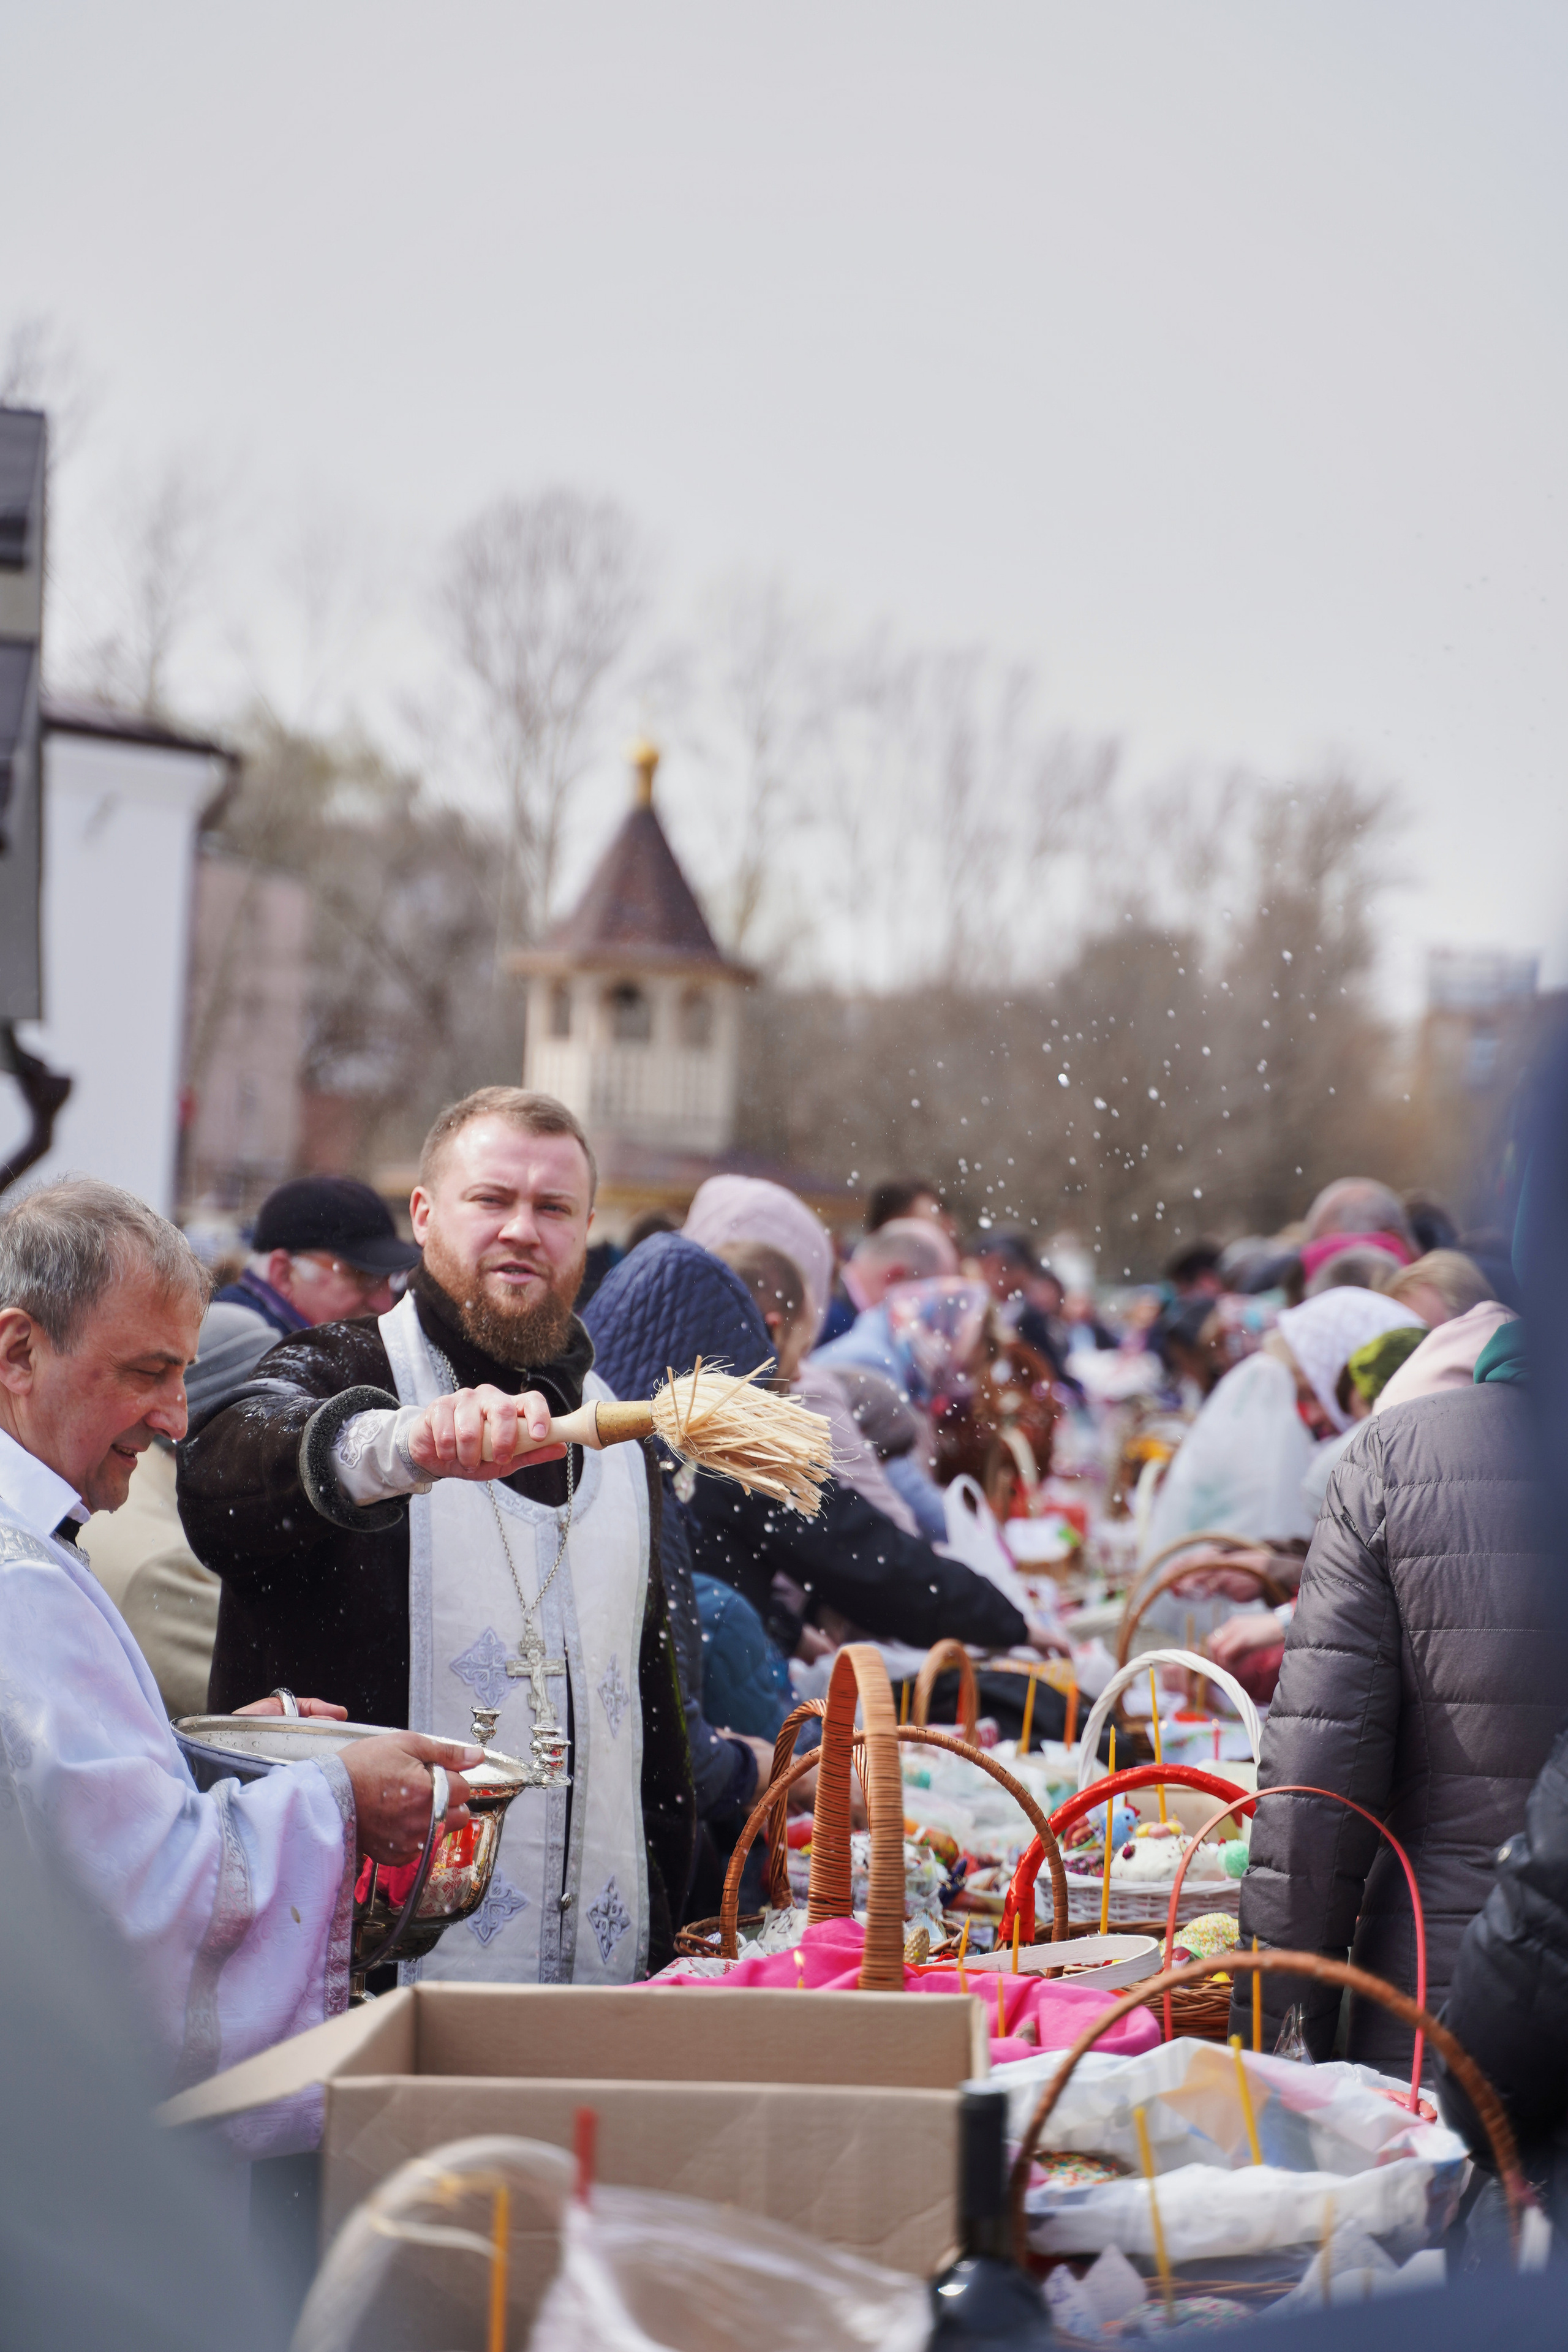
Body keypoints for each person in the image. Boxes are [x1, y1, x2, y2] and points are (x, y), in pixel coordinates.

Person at [178, 1088, 694, 1986]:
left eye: (552, 1208)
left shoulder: (620, 1439)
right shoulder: (345, 1366)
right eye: (491, 1200)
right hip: (360, 1988)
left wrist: (664, 1954)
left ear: (587, 1228)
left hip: (595, 1992)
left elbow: (654, 1733)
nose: (522, 1230)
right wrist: (397, 1445)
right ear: (423, 1216)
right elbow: (222, 1484)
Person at [0, 1176, 478, 2115]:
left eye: (183, 1375)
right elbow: (143, 1899)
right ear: (19, 1351)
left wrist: (210, 1758)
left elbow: (47, 1811)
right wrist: (339, 1796)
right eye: (146, 1373)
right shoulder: (18, 1581)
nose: (178, 1418)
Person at [1230, 1323, 1567, 2074]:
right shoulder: (1398, 1455)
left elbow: (1315, 1790)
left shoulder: (1396, 1452)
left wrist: (1275, 2044)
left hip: (1445, 2009)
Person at [585, 1231, 1043, 1657]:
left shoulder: (614, 1408)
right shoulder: (729, 1432)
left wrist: (784, 1630)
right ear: (770, 1330)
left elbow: (714, 1571)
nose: (804, 1374)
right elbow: (865, 1554)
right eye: (801, 1352)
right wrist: (1011, 1624)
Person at [187, 1175, 421, 1425]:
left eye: (390, 1279)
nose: (385, 1304)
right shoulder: (245, 1344)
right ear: (285, 1273)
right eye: (364, 1277)